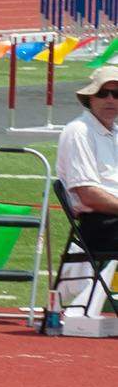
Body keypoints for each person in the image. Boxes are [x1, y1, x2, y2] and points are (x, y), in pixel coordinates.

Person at [54, 66, 118, 312]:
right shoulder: (79, 132)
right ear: (90, 98)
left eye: (116, 94)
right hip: (99, 224)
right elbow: (88, 194)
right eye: (103, 93)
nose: (110, 99)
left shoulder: (114, 132)